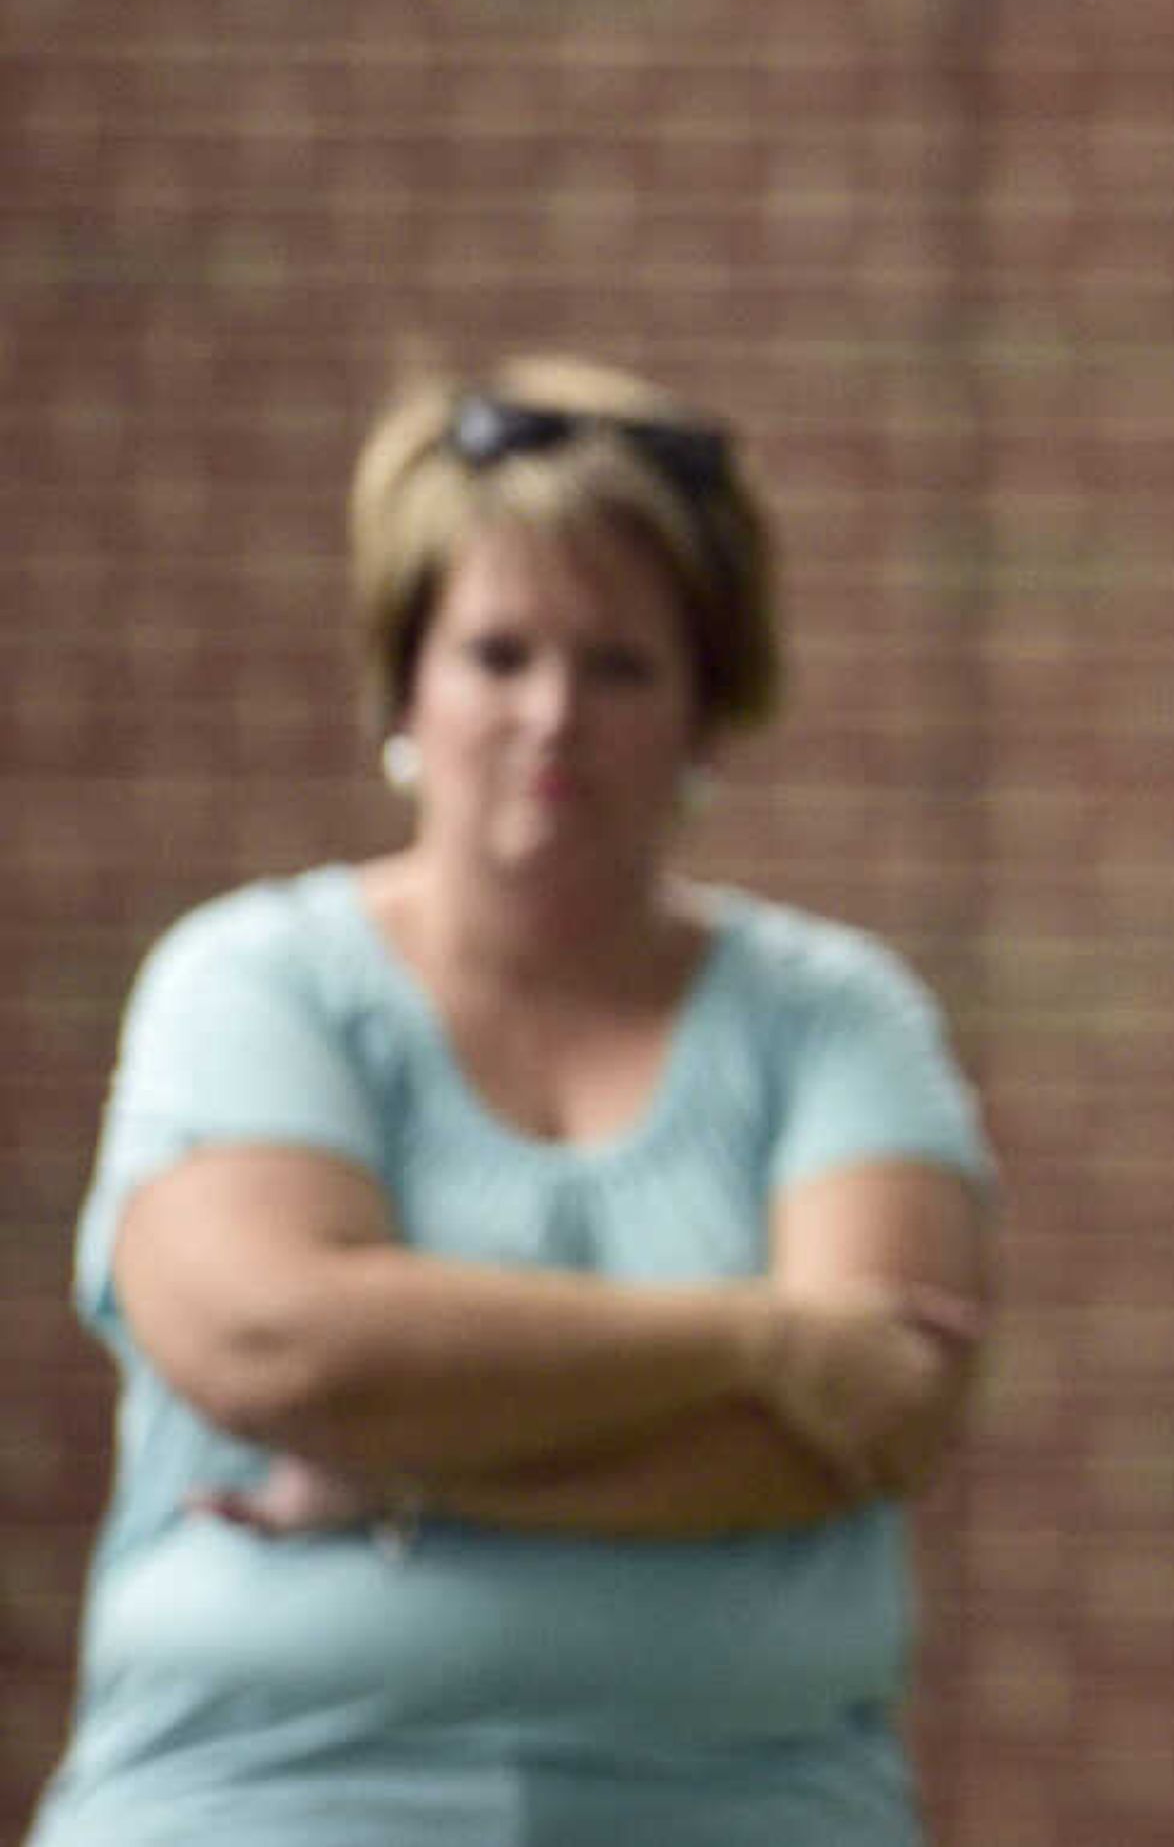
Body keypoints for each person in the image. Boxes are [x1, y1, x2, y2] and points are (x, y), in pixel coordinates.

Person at [27, 356, 994, 1847]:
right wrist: (763, 1333)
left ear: (705, 710)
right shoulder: (249, 979)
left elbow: (872, 1423)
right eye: (497, 652)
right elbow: (270, 1335)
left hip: (751, 1801)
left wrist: (388, 1466)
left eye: (618, 664)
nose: (552, 713)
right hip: (254, 1795)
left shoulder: (836, 1016)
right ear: (403, 679)